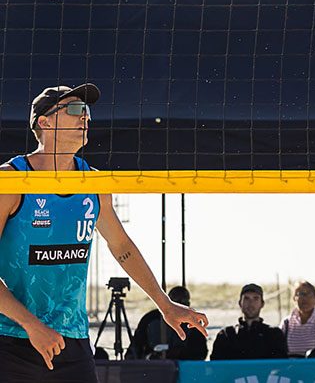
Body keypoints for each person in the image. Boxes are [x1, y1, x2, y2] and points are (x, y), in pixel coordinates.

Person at [0, 84, 208, 380]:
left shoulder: (94, 183)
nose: (85, 116)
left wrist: (165, 304)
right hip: (11, 339)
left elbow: (122, 246)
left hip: (71, 341)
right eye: (74, 109)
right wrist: (32, 325)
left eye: (86, 110)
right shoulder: (11, 181)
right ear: (44, 122)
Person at [211, 283, 288, 360]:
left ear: (262, 304)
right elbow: (216, 366)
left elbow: (281, 366)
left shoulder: (274, 335)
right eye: (246, 298)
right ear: (240, 303)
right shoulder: (226, 335)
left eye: (255, 298)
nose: (251, 303)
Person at [132, 286, 208, 360]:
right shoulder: (150, 318)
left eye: (183, 302)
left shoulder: (193, 321)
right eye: (176, 302)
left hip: (183, 366)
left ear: (188, 304)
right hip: (152, 365)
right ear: (169, 302)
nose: (180, 305)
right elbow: (135, 348)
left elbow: (200, 353)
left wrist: (180, 353)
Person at [281, 281, 315, 357]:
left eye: (309, 294)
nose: (305, 298)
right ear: (294, 299)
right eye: (301, 294)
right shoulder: (286, 322)